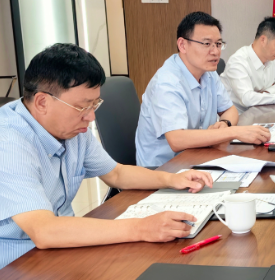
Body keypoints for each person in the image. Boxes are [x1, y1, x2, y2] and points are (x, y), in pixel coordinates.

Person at [0, 44, 214, 269]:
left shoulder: (71, 128)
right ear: (42, 102)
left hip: (61, 247)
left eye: (94, 104)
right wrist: (141, 228)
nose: (91, 117)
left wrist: (171, 179)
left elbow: (116, 174)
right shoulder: (8, 143)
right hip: (17, 264)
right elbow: (44, 231)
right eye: (82, 107)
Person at [135, 12, 272, 167]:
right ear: (182, 45)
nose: (215, 51)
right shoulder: (166, 82)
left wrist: (225, 123)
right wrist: (233, 132)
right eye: (207, 44)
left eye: (218, 44)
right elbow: (177, 140)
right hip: (163, 169)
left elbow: (230, 110)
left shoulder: (209, 73)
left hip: (198, 157)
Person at [221, 17, 275, 112]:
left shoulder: (272, 60)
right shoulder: (238, 61)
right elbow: (247, 99)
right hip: (238, 116)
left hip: (260, 112)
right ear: (263, 40)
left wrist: (267, 92)